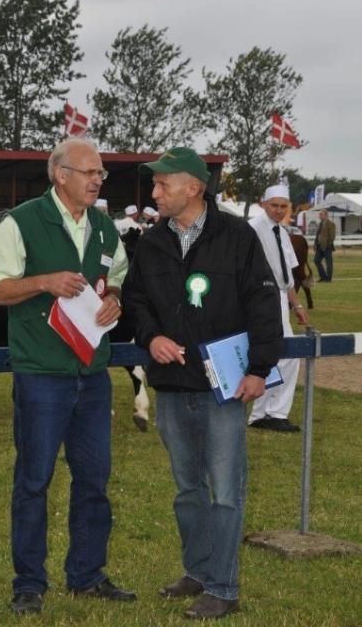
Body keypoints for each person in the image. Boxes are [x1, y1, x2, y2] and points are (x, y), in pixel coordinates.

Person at [123, 146, 282, 621]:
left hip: (225, 388)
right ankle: (197, 569)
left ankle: (224, 586)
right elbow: (135, 300)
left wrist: (258, 368)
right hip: (172, 385)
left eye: (161, 185)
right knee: (187, 488)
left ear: (193, 187)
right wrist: (151, 338)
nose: (154, 193)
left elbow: (262, 303)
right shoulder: (151, 242)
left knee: (226, 491)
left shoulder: (237, 236)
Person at [0, 138, 135, 615]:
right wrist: (43, 282)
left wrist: (115, 302)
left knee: (94, 479)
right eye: (89, 172)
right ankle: (29, 582)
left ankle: (86, 575)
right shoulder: (22, 222)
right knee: (34, 480)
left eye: (101, 174)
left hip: (92, 375)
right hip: (42, 374)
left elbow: (119, 278)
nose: (97, 180)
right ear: (59, 174)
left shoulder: (107, 229)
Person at [248, 185, 309, 432]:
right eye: (275, 205)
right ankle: (272, 412)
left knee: (282, 355)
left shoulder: (282, 232)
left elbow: (288, 276)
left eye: (284, 206)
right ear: (264, 204)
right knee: (285, 354)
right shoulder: (252, 229)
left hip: (280, 297)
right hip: (262, 297)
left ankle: (265, 413)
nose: (279, 210)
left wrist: (298, 305)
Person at [314, 209, 336, 282]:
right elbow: (317, 235)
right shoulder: (320, 223)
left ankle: (328, 278)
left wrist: (327, 244)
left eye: (321, 214)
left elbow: (332, 236)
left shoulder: (331, 224)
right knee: (316, 260)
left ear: (326, 215)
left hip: (327, 247)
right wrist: (315, 244)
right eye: (319, 214)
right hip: (319, 246)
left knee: (329, 263)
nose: (319, 216)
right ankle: (323, 277)